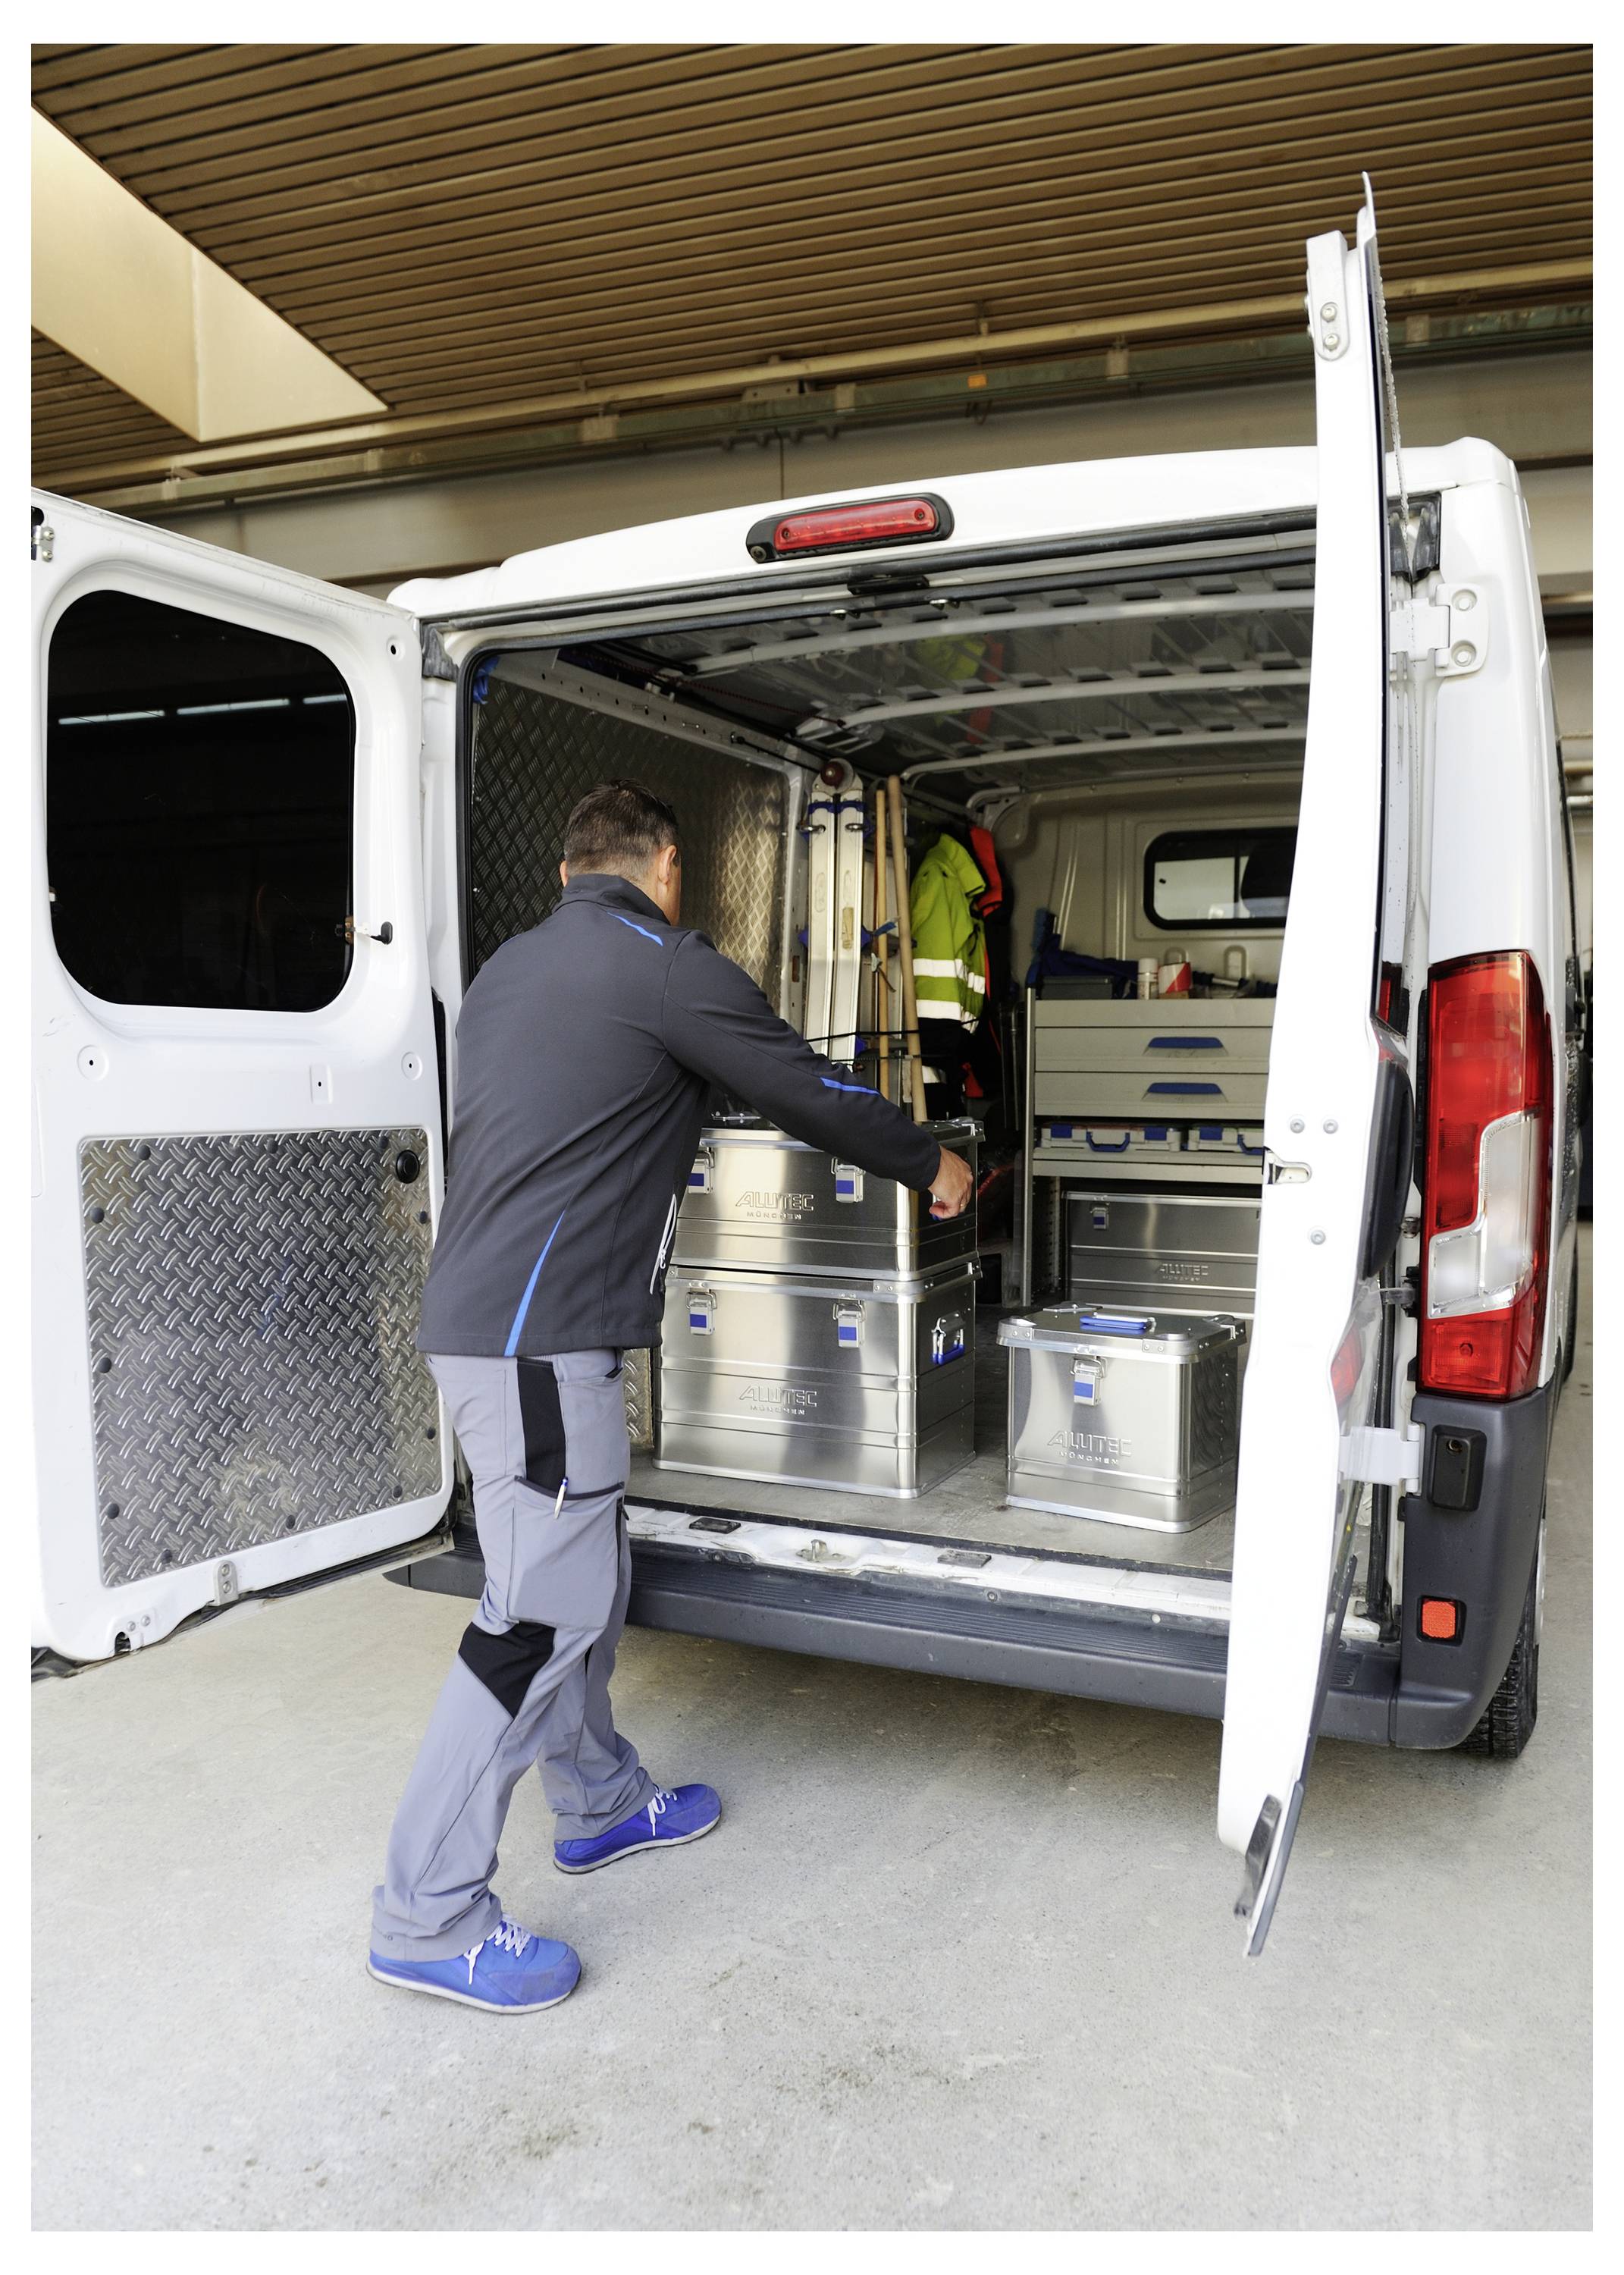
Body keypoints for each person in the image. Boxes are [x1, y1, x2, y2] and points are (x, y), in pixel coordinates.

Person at [368, 778, 975, 2012]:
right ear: (667, 869)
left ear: (563, 873)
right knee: (535, 1618)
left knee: (581, 1580)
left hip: (492, 1332)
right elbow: (802, 1085)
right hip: (539, 1346)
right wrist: (931, 1160)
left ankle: (596, 1802)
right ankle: (425, 1913)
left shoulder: (508, 973)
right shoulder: (661, 963)